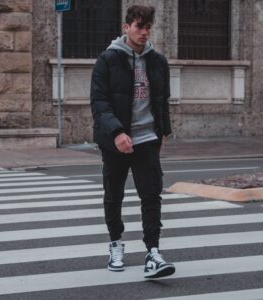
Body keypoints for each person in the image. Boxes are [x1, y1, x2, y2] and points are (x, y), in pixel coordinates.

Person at [90, 4, 175, 279]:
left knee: (151, 195)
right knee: (114, 195)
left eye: (148, 27)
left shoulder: (158, 61)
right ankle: (115, 244)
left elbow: (162, 101)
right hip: (115, 141)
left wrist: (163, 131)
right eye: (139, 26)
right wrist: (117, 133)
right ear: (127, 27)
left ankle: (153, 252)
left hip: (147, 138)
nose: (144, 32)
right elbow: (99, 103)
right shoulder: (107, 59)